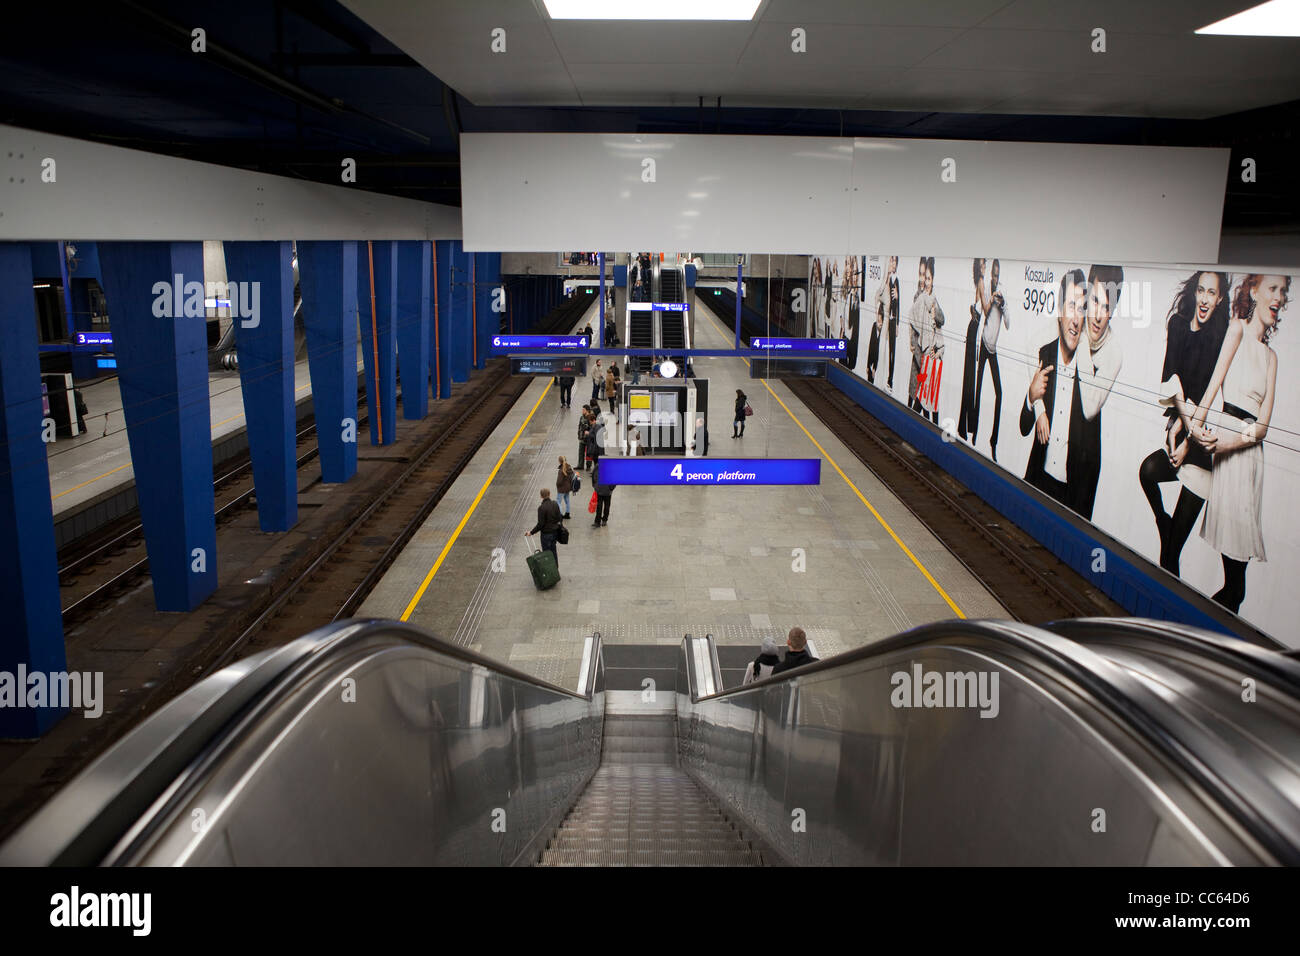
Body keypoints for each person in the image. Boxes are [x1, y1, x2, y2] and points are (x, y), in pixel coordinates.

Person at [1190, 273, 1287, 614]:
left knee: (1236, 579)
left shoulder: (1272, 357)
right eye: (1273, 288)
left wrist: (1228, 444)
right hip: (1227, 449)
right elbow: (1214, 384)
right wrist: (1196, 425)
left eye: (1284, 291)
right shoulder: (1237, 330)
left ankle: (1198, 632)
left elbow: (1261, 429)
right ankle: (1201, 631)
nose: (1279, 297)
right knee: (1235, 582)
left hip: (1245, 457)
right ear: (1255, 291)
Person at [1139, 271, 1230, 575]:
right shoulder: (1177, 325)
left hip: (1202, 450)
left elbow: (1208, 398)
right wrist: (1178, 425)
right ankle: (1162, 522)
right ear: (1195, 292)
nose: (1205, 299)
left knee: (1171, 553)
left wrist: (1189, 435)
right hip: (1182, 433)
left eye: (1212, 293)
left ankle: (1164, 614)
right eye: (1201, 291)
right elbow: (1170, 381)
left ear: (1219, 300)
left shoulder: (1218, 338)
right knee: (1147, 472)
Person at [1019, 269, 1093, 515]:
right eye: (1071, 306)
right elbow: (1023, 427)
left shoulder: (1089, 373)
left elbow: (1093, 456)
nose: (1075, 318)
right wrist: (1032, 399)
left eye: (1082, 309)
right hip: (1037, 481)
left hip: (1069, 497)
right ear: (1060, 311)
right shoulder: (1045, 355)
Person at [1071, 264, 1126, 521]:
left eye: (1107, 307)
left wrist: (1080, 340)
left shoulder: (1113, 351)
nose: (1099, 315)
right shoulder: (1071, 322)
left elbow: (1089, 408)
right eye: (1095, 301)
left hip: (1085, 451)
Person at [974, 259, 1009, 462]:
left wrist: (1002, 304)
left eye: (997, 274)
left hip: (993, 349)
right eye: (992, 274)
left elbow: (1008, 324)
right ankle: (975, 433)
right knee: (978, 389)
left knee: (999, 393)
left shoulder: (1002, 293)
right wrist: (992, 299)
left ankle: (993, 441)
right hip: (983, 343)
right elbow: (986, 310)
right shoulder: (986, 286)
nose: (995, 277)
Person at [957, 259, 987, 442]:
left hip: (973, 332)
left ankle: (965, 426)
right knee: (970, 382)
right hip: (974, 334)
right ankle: (967, 426)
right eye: (983, 263)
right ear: (979, 267)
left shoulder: (979, 284)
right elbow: (986, 308)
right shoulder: (982, 284)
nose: (984, 266)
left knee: (969, 381)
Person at [526, 488, 564, 569]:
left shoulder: (541, 508)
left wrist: (531, 532)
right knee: (553, 552)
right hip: (554, 533)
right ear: (549, 494)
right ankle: (555, 569)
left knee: (546, 554)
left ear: (541, 496)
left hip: (546, 535)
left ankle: (549, 571)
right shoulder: (555, 504)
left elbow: (540, 524)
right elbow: (560, 518)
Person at [592, 460, 615, 527]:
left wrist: (594, 486)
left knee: (599, 506)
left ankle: (597, 522)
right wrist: (611, 488)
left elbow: (593, 476)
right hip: (607, 491)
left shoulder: (597, 466)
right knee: (607, 506)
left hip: (599, 489)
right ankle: (604, 520)